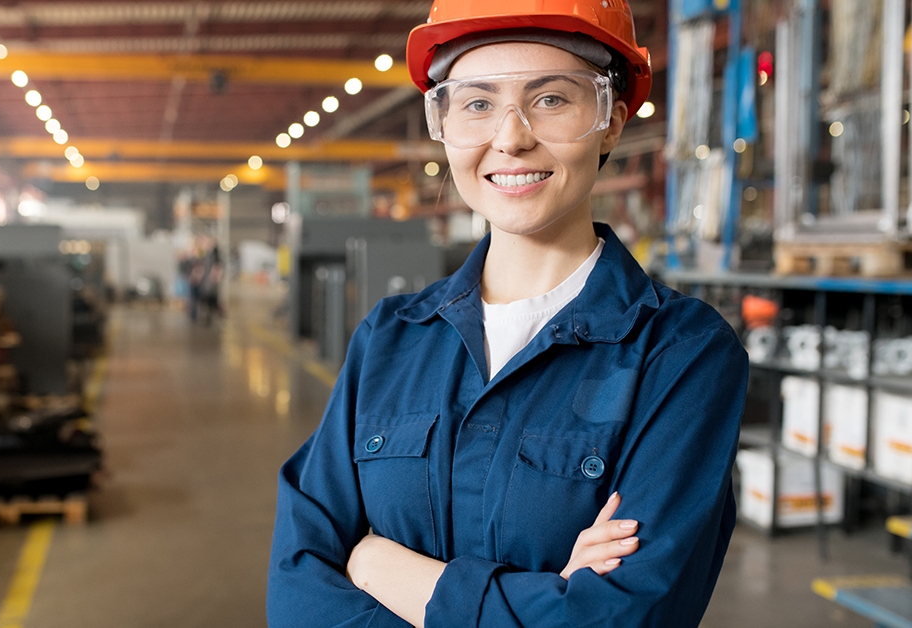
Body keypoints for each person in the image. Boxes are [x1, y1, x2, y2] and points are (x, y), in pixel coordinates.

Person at [267, 1, 749, 626]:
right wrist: (543, 597)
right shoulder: (390, 339)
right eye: (476, 103)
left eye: (551, 100)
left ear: (610, 122)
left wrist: (375, 564)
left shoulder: (681, 356)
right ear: (443, 123)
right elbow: (297, 593)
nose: (511, 137)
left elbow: (623, 618)